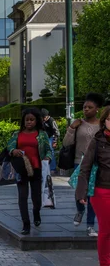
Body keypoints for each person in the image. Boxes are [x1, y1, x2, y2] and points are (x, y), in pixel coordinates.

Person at [63, 92, 104, 237]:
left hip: (96, 165)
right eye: (85, 107)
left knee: (92, 194)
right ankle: (80, 211)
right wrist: (72, 128)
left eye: (90, 107)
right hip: (78, 163)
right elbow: (66, 143)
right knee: (80, 192)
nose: (86, 109)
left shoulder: (102, 125)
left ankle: (90, 226)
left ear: (97, 109)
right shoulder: (78, 123)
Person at [7, 108, 52, 235]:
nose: (29, 122)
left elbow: (48, 149)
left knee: (36, 197)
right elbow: (9, 145)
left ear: (37, 121)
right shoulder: (17, 134)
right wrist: (12, 151)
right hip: (21, 169)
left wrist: (48, 157)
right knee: (22, 197)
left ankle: (36, 212)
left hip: (37, 169)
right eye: (27, 120)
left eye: (32, 120)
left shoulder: (42, 134)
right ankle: (26, 224)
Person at [76, 105, 110, 266]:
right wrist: (81, 192)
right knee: (107, 229)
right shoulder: (97, 140)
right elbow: (85, 167)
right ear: (104, 121)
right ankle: (105, 263)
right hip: (102, 191)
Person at [41, 108, 60, 174]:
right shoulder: (42, 121)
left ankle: (53, 168)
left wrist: (55, 141)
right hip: (44, 137)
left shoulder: (51, 120)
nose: (44, 119)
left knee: (51, 151)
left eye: (45, 117)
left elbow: (56, 131)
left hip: (51, 137)